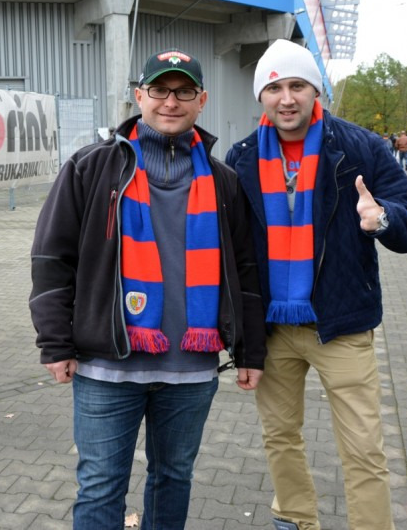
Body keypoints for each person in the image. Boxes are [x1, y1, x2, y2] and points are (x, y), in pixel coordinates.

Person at [30, 49, 266, 529]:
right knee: (100, 485)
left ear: (202, 100)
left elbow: (244, 271)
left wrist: (251, 351)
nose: (170, 102)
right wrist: (55, 342)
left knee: (173, 478)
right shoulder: (91, 168)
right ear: (139, 97)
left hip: (191, 369)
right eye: (159, 90)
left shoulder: (223, 181)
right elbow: (53, 258)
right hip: (106, 365)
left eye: (183, 92)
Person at [224, 39, 407, 530]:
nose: (287, 98)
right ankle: (295, 520)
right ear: (261, 96)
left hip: (341, 323)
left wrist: (383, 219)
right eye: (274, 88)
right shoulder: (241, 157)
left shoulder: (359, 147)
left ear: (315, 90)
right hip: (272, 329)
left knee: (363, 448)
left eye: (297, 85)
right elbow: (230, 249)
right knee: (280, 436)